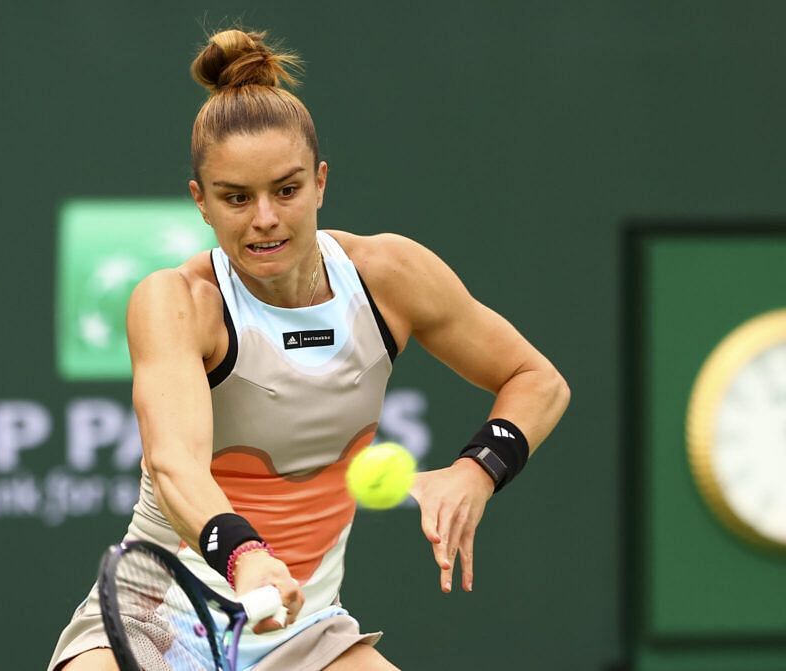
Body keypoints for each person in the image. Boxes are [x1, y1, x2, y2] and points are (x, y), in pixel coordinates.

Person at [48, 27, 570, 671]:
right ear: (201, 203)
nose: (264, 217)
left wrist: (477, 471)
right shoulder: (177, 302)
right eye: (236, 198)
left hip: (304, 635)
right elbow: (175, 464)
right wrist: (246, 556)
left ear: (320, 183)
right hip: (159, 619)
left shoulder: (390, 277)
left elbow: (536, 378)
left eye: (286, 190)